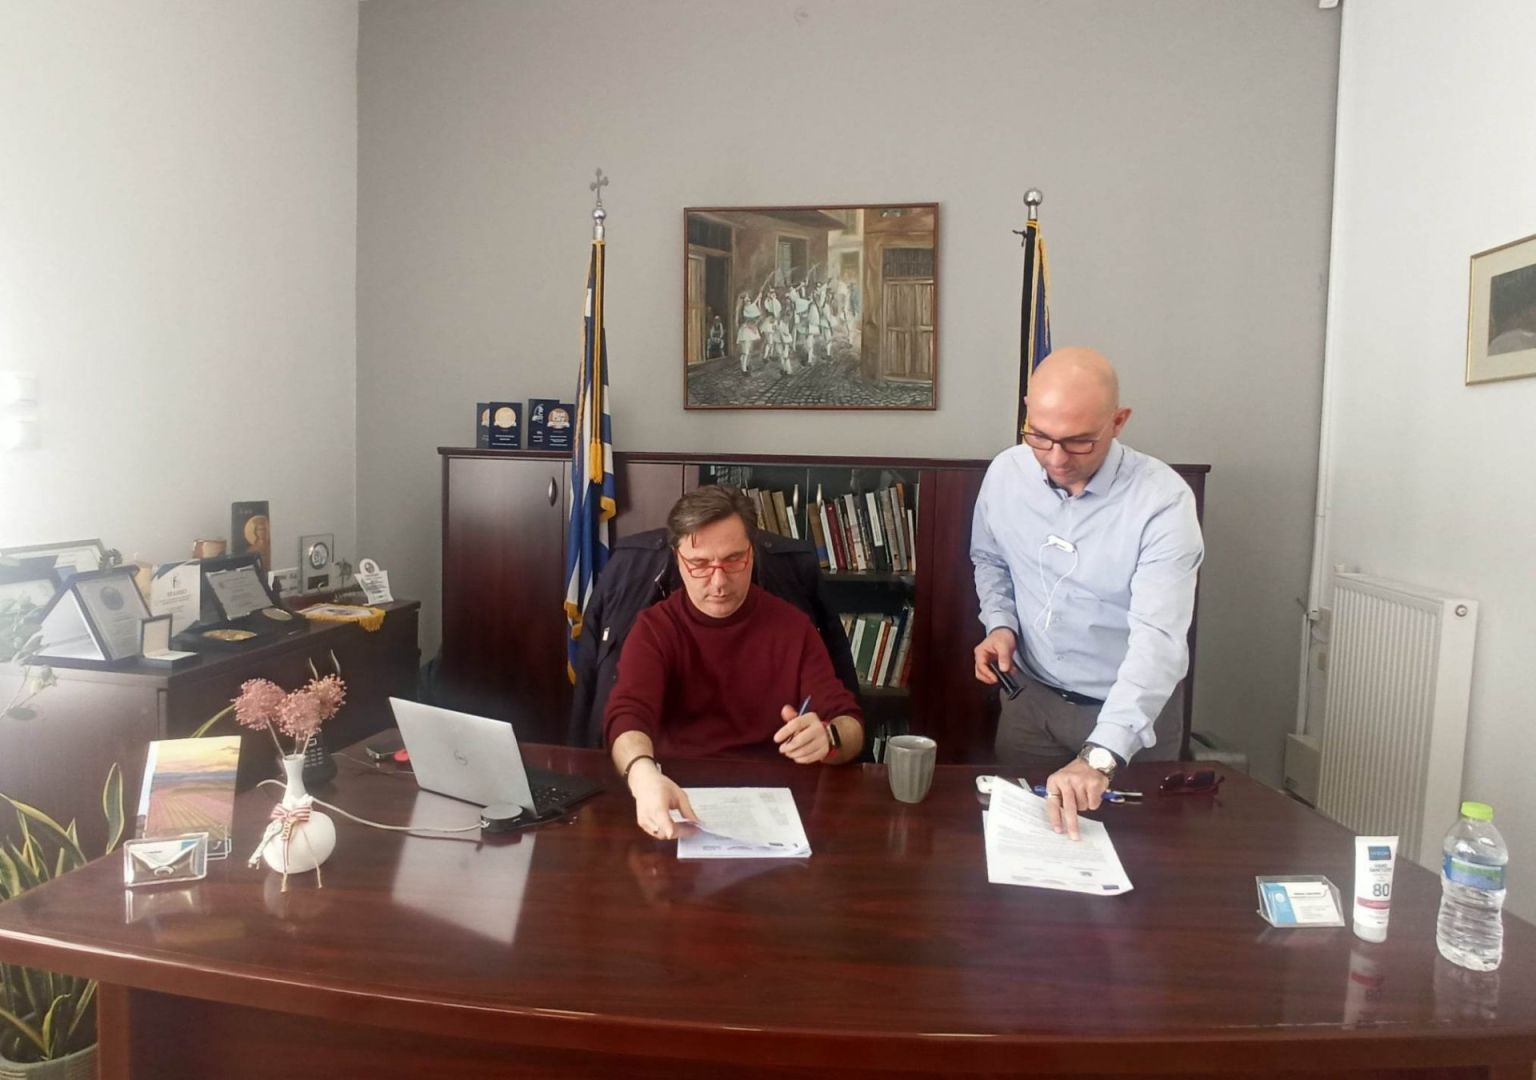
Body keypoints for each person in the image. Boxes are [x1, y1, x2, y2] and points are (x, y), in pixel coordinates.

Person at [971, 347, 1203, 840]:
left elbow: (1159, 642)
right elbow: (990, 560)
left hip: (1129, 711)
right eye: (1039, 436)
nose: (1055, 459)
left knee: (1136, 851)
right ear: (1027, 410)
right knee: (1020, 845)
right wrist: (1000, 624)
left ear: (1118, 421)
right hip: (1030, 702)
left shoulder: (1163, 502)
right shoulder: (1006, 474)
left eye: (1079, 442)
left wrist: (1101, 755)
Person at [606, 485, 864, 839]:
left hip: (777, 804)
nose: (719, 582)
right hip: (678, 799)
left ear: (752, 554)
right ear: (678, 559)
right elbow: (627, 715)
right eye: (700, 564)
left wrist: (830, 738)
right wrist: (642, 774)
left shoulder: (792, 626)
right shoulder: (655, 628)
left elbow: (850, 722)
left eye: (733, 560)